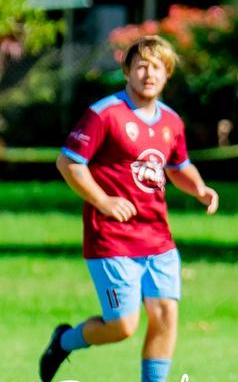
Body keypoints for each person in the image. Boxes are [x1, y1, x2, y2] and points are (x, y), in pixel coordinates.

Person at [40, 35, 220, 382]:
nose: (148, 73)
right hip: (111, 239)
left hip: (158, 239)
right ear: (126, 71)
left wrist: (199, 189)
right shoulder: (104, 114)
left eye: (156, 67)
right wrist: (103, 200)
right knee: (123, 325)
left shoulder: (171, 122)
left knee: (166, 314)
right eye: (141, 66)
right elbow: (69, 164)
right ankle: (63, 342)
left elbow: (178, 166)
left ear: (166, 74)